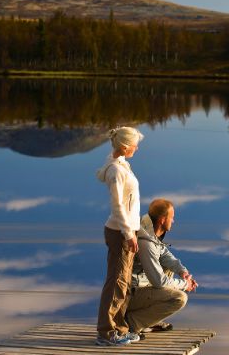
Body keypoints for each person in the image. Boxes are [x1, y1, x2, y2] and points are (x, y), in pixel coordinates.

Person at [95, 126, 145, 346]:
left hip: (126, 230)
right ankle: (106, 333)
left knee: (122, 282)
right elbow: (117, 206)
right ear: (125, 146)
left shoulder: (120, 164)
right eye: (135, 144)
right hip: (120, 232)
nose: (137, 148)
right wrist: (128, 234)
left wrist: (133, 230)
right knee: (117, 281)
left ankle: (119, 328)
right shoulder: (116, 170)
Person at [125, 198, 197, 336]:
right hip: (132, 294)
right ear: (162, 220)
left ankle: (148, 320)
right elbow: (159, 282)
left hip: (142, 287)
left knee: (168, 267)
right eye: (172, 218)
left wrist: (183, 272)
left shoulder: (150, 233)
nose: (174, 221)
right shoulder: (146, 242)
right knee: (179, 298)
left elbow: (165, 255)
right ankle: (132, 322)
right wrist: (184, 285)